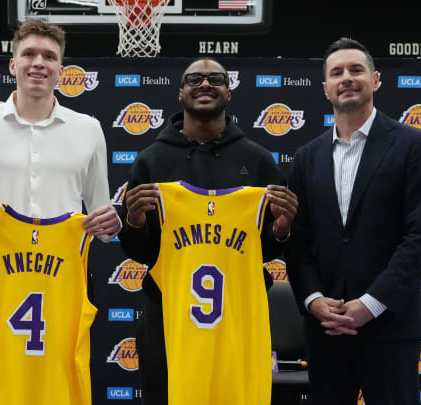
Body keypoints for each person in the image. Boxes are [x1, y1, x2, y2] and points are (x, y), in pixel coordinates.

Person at [0, 18, 120, 391]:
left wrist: (111, 224)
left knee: (62, 382)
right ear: (12, 64)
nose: (39, 62)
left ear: (61, 71)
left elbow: (101, 215)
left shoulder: (88, 129)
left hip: (65, 276)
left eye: (49, 56)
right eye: (29, 53)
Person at [119, 57, 298, 405]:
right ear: (180, 92)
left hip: (239, 313)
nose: (205, 84)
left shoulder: (258, 159)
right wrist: (135, 223)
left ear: (229, 93)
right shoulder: (152, 160)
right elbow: (141, 253)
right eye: (195, 79)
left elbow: (267, 250)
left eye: (216, 78)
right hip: (167, 313)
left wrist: (280, 231)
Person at [286, 38, 421, 405]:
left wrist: (370, 304)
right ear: (325, 89)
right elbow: (297, 241)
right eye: (336, 72)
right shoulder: (306, 157)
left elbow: (420, 235)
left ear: (375, 79)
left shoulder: (414, 145)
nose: (347, 78)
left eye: (356, 70)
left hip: (388, 326)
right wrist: (313, 299)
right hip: (325, 330)